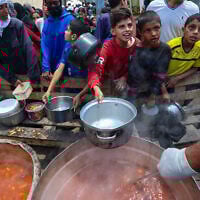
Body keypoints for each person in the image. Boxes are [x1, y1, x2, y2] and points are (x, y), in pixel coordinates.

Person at [88, 8, 138, 102]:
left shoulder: (136, 45)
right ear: (113, 31)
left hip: (128, 89)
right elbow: (95, 70)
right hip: (107, 88)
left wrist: (124, 77)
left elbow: (136, 67)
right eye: (121, 27)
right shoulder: (106, 48)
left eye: (130, 25)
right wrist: (95, 87)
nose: (127, 29)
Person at [42, 19, 90, 109]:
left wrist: (80, 95)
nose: (65, 32)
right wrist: (49, 90)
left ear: (74, 36)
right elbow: (59, 69)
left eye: (68, 30)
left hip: (85, 89)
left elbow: (92, 78)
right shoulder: (68, 47)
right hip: (69, 85)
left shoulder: (87, 52)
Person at [127, 11, 171, 106]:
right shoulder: (134, 49)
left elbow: (160, 75)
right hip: (133, 92)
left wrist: (153, 95)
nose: (154, 33)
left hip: (153, 91)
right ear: (140, 32)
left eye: (156, 28)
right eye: (148, 30)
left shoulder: (165, 49)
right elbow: (132, 76)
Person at [0, 0, 40, 86]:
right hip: (9, 78)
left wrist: (32, 75)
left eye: (6, 6)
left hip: (26, 73)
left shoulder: (16, 25)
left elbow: (29, 49)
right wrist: (12, 79)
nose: (6, 11)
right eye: (0, 8)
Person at [161, 14, 200, 100]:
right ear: (183, 29)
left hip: (178, 82)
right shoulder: (171, 46)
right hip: (161, 81)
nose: (196, 32)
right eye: (191, 27)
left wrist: (177, 78)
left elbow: (195, 68)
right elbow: (156, 70)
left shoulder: (199, 48)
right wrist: (164, 92)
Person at [41, 0, 74, 80]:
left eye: (55, 3)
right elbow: (45, 46)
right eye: (49, 3)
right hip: (50, 72)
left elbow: (68, 46)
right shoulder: (47, 22)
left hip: (66, 70)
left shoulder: (70, 20)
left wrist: (59, 68)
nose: (52, 6)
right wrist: (46, 67)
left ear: (60, 2)